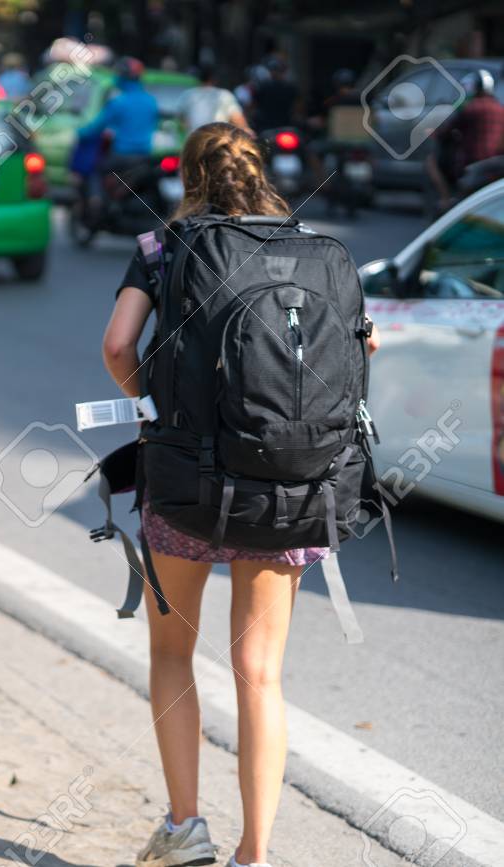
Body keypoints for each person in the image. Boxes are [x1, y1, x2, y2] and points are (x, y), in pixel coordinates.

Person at [101, 122, 379, 867]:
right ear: (262, 174)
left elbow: (119, 345)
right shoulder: (318, 251)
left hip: (187, 479)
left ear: (189, 176)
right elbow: (363, 348)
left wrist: (153, 408)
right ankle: (256, 853)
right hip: (289, 486)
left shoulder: (164, 247)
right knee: (260, 672)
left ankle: (186, 827)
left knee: (171, 652)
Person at [75, 56, 159, 210]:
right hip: (145, 156)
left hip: (121, 155)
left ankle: (96, 202)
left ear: (122, 76)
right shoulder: (151, 101)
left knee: (95, 169)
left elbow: (96, 127)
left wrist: (81, 133)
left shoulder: (118, 102)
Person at [427, 69, 504, 211]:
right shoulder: (500, 109)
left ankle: (445, 200)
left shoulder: (470, 109)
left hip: (471, 163)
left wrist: (435, 133)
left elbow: (447, 131)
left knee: (431, 162)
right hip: (496, 164)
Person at [178, 64, 249, 131]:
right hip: (217, 140)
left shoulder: (188, 95)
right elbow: (237, 118)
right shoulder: (224, 95)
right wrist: (246, 130)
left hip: (195, 140)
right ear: (214, 79)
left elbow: (181, 120)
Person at [250, 57, 299, 130]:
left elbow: (253, 106)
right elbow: (297, 108)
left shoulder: (262, 86)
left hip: (265, 125)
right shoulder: (291, 87)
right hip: (285, 124)